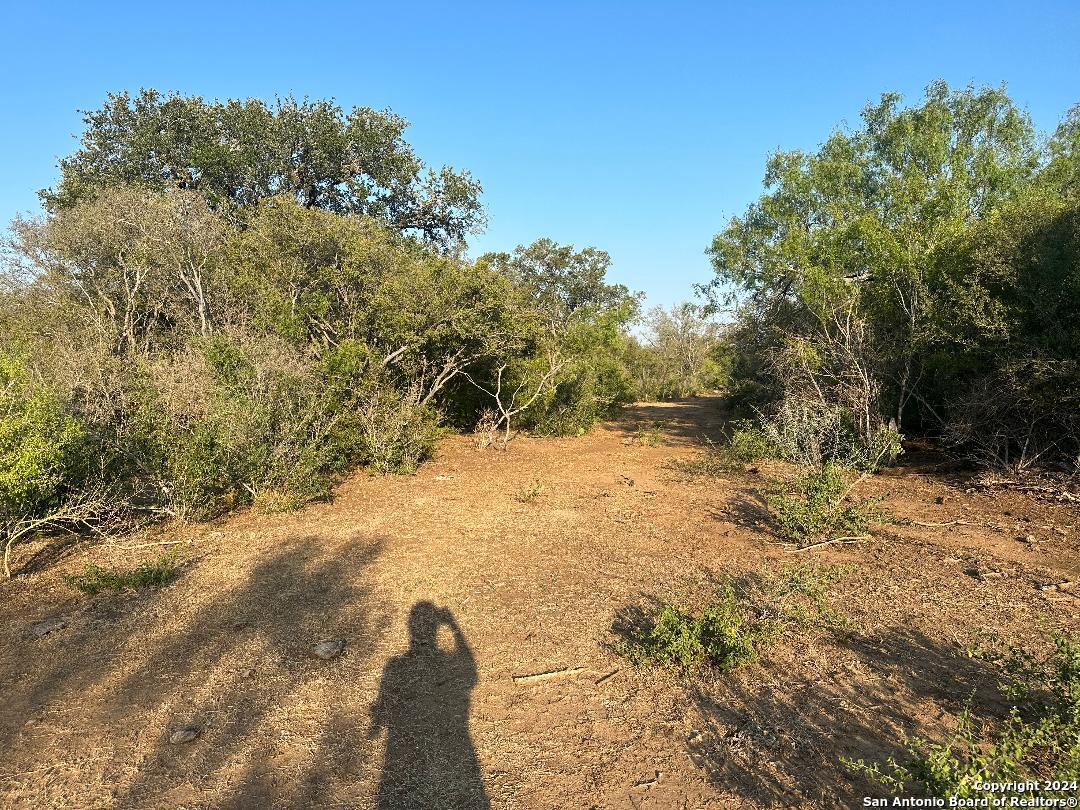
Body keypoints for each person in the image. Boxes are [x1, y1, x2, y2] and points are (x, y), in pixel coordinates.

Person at [370, 601, 489, 809]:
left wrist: (378, 721)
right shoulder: (396, 665)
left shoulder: (395, 665)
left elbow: (470, 675)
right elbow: (470, 673)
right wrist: (453, 627)